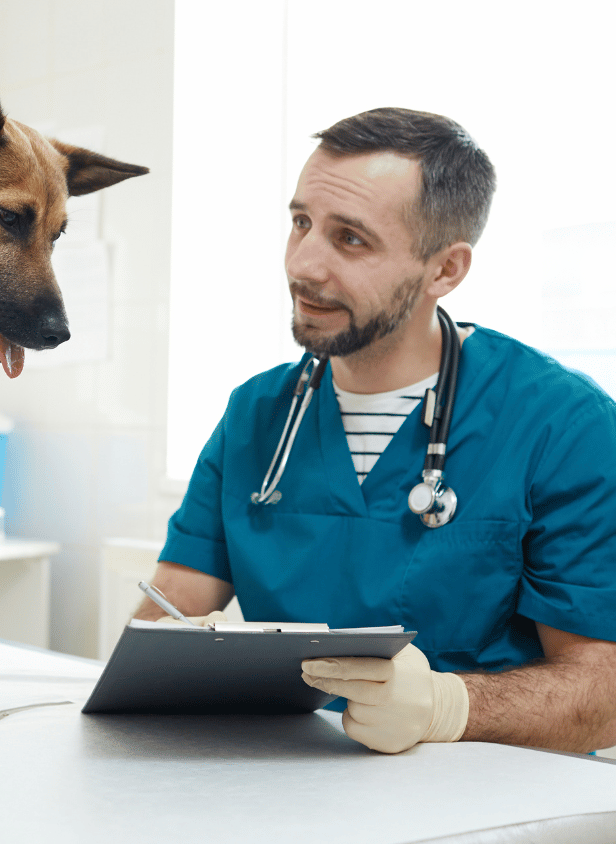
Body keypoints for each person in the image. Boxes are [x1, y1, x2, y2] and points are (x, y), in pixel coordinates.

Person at [137, 108, 616, 754]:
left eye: (351, 239)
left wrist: (451, 707)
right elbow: (164, 626)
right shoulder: (256, 416)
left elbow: (602, 696)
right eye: (300, 222)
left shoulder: (562, 426)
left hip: (484, 809)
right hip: (279, 793)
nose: (304, 265)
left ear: (444, 271)